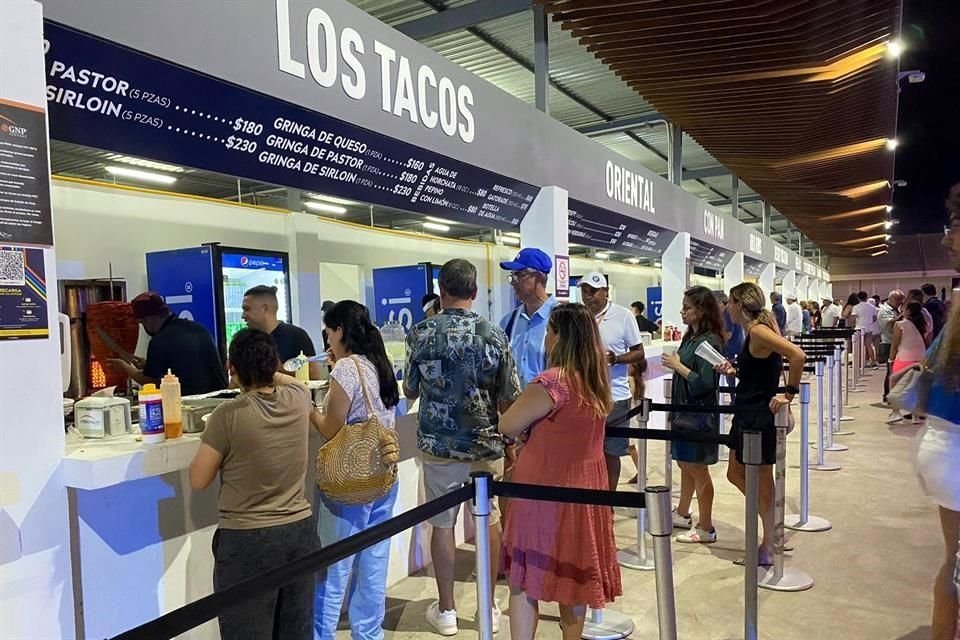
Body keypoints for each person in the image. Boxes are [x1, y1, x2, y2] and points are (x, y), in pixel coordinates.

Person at [404, 259, 521, 636]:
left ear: (441, 290)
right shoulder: (494, 334)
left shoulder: (421, 333)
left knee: (442, 525)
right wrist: (511, 442)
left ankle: (448, 610)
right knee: (490, 520)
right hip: (487, 445)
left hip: (439, 446)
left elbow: (409, 389)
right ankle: (487, 607)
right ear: (474, 292)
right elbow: (509, 396)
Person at [498, 303, 622, 640]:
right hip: (584, 489)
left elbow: (507, 424)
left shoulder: (553, 382)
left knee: (524, 579)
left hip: (542, 488)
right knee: (575, 577)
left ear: (559, 336)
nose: (546, 338)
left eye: (550, 331)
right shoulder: (596, 379)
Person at [189, 329, 316, 640]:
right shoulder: (299, 399)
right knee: (295, 632)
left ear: (232, 368)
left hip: (247, 541)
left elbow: (198, 479)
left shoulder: (227, 415)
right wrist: (270, 370)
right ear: (273, 363)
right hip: (299, 533)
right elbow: (294, 382)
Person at [310, 301, 400, 639]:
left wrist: (308, 408)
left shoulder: (347, 368)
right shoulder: (380, 363)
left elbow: (330, 428)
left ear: (340, 331)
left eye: (329, 332)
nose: (328, 340)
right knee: (373, 565)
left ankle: (323, 635)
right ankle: (369, 634)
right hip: (384, 473)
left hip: (351, 478)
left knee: (335, 568)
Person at [717, 282, 806, 566]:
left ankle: (769, 541)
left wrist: (788, 394)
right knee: (737, 473)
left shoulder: (757, 330)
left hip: (757, 414)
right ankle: (771, 530)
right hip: (747, 411)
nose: (727, 308)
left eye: (730, 302)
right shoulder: (754, 331)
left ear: (739, 304)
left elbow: (797, 356)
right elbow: (763, 367)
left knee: (761, 480)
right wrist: (736, 370)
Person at [910, 181, 960, 640]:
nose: (946, 237)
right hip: (951, 448)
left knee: (955, 563)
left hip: (945, 447)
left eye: (955, 225)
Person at [661, 286, 725, 543]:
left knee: (698, 469)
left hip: (698, 415)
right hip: (684, 412)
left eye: (687, 307)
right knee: (685, 465)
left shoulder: (709, 341)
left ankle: (706, 527)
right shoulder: (692, 337)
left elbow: (705, 382)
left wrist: (678, 366)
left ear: (701, 310)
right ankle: (683, 512)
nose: (682, 311)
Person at [578, 272, 645, 491]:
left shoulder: (623, 316)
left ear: (606, 291)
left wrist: (616, 359)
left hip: (615, 397)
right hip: (583, 396)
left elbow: (639, 353)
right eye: (585, 291)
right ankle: (591, 502)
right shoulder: (579, 317)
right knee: (586, 452)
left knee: (611, 452)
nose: (589, 297)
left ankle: (609, 503)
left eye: (594, 291)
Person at [108, 291, 228, 396]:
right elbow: (185, 366)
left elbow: (150, 382)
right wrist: (148, 365)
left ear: (151, 318)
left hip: (191, 404)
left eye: (142, 322)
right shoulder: (198, 329)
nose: (144, 327)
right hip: (218, 400)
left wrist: (125, 367)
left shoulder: (159, 341)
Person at [499, 248, 561, 388]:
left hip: (551, 406)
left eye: (520, 275)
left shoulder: (561, 319)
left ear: (539, 277)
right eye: (512, 276)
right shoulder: (508, 322)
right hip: (516, 406)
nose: (514, 282)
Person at [242, 285, 321, 379]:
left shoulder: (296, 336)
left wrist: (277, 368)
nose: (243, 316)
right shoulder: (247, 341)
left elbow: (313, 375)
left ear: (265, 308)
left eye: (247, 309)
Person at [886, 301, 928, 424]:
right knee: (916, 386)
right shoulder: (922, 324)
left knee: (894, 384)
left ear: (908, 311)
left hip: (904, 358)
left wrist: (891, 359)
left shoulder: (900, 324)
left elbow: (895, 344)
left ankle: (895, 412)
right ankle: (915, 415)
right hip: (920, 357)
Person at [878, 290, 905, 403]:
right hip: (888, 343)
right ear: (891, 299)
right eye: (898, 300)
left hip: (896, 343)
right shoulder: (884, 310)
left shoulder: (895, 309)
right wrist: (902, 315)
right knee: (891, 370)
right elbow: (889, 325)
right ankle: (888, 395)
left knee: (895, 370)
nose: (900, 302)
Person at [852, 292, 879, 367]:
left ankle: (859, 363)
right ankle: (873, 361)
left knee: (859, 346)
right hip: (869, 328)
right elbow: (874, 318)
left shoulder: (856, 307)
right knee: (869, 345)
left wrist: (854, 324)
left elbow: (854, 318)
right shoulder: (872, 307)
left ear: (858, 298)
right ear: (866, 297)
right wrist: (869, 322)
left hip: (859, 328)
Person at [717, 292, 744, 361]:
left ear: (720, 302)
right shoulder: (726, 313)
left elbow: (728, 335)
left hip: (732, 349)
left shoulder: (727, 314)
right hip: (736, 347)